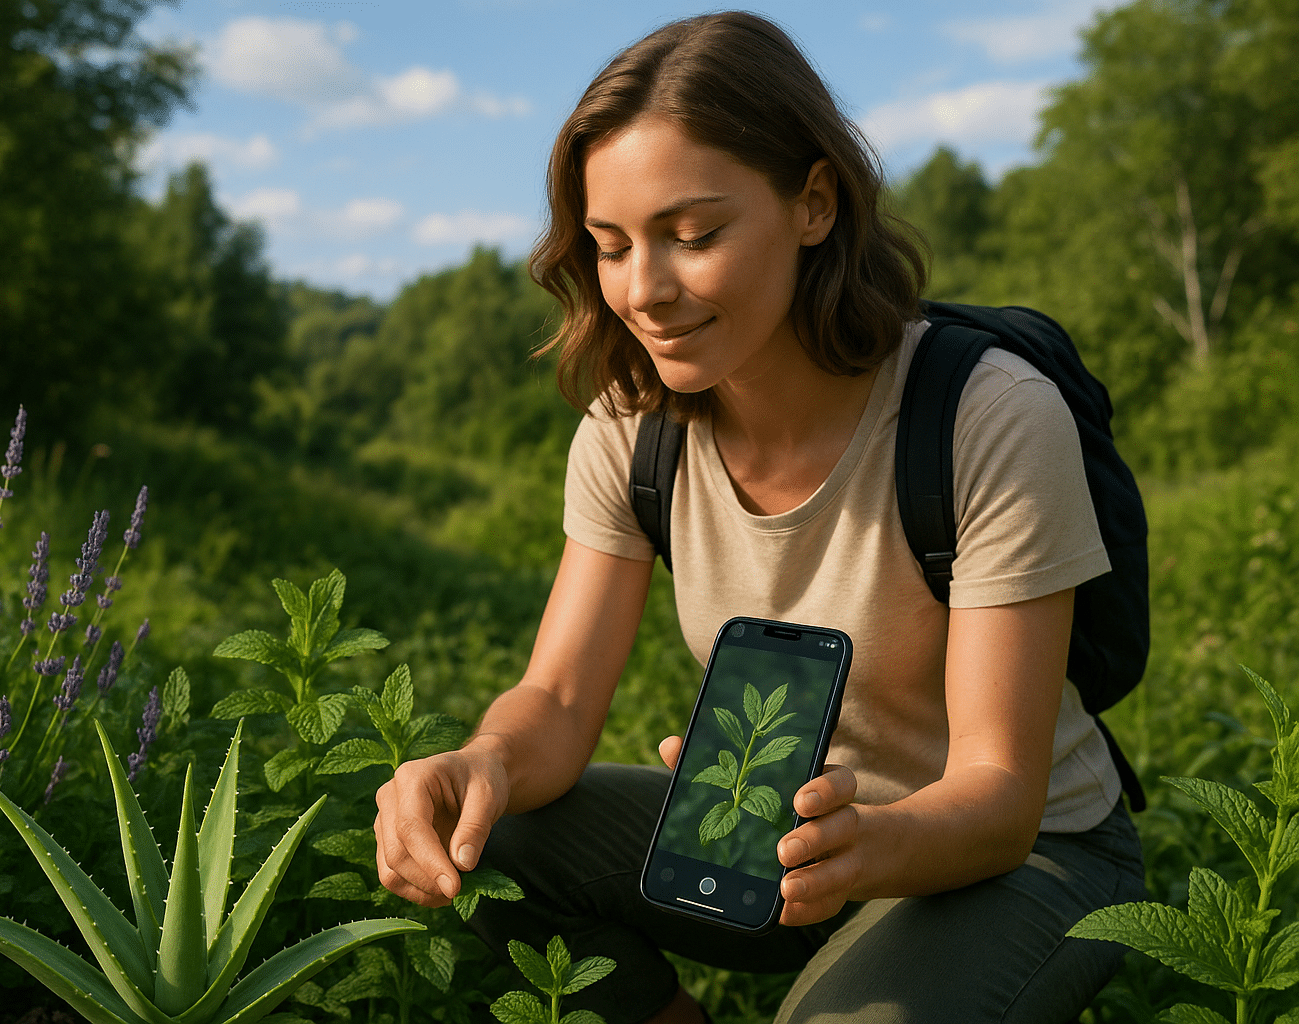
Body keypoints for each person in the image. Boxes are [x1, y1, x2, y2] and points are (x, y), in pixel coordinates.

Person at [373, 11, 1146, 1023]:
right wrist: (477, 762)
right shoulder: (631, 426)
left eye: (693, 235)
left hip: (1018, 852)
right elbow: (557, 702)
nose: (643, 291)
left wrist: (866, 846)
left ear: (814, 203)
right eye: (610, 247)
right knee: (503, 842)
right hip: (775, 831)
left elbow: (1000, 792)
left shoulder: (985, 413)